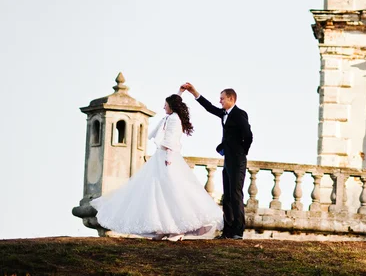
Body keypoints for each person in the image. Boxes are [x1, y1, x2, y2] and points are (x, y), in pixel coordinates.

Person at [90, 91, 223, 241]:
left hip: (167, 157)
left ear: (171, 106)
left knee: (171, 191)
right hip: (161, 156)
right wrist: (179, 91)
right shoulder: (171, 117)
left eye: (166, 104)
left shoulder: (173, 119)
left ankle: (177, 229)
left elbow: (171, 140)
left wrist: (169, 159)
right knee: (158, 192)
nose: (163, 107)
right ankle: (163, 228)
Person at [181, 83, 253, 240]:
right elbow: (209, 107)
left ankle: (238, 232)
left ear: (231, 98)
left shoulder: (240, 114)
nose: (219, 101)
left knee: (235, 195)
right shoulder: (224, 113)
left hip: (238, 160)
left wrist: (241, 153)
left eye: (222, 98)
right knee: (226, 196)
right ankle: (227, 231)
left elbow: (248, 135)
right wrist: (194, 92)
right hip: (228, 160)